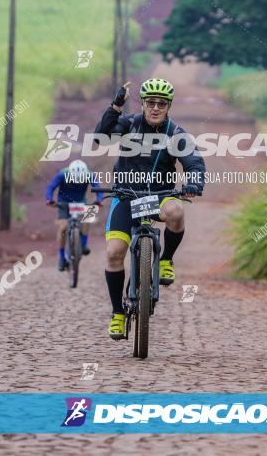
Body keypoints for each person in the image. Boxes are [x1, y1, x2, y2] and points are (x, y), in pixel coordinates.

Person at [95, 78, 205, 340]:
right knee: (114, 253)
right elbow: (101, 136)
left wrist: (193, 183)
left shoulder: (176, 133)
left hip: (160, 196)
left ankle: (166, 259)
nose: (156, 108)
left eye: (161, 104)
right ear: (143, 103)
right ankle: (118, 314)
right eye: (151, 103)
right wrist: (116, 106)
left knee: (177, 212)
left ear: (168, 106)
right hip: (126, 196)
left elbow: (194, 163)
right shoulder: (129, 123)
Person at [45, 159, 104, 271]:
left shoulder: (89, 174)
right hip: (64, 203)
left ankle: (83, 244)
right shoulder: (62, 174)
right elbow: (51, 187)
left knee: (89, 216)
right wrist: (49, 199)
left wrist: (99, 199)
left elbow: (98, 188)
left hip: (80, 201)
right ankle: (62, 257)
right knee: (63, 227)